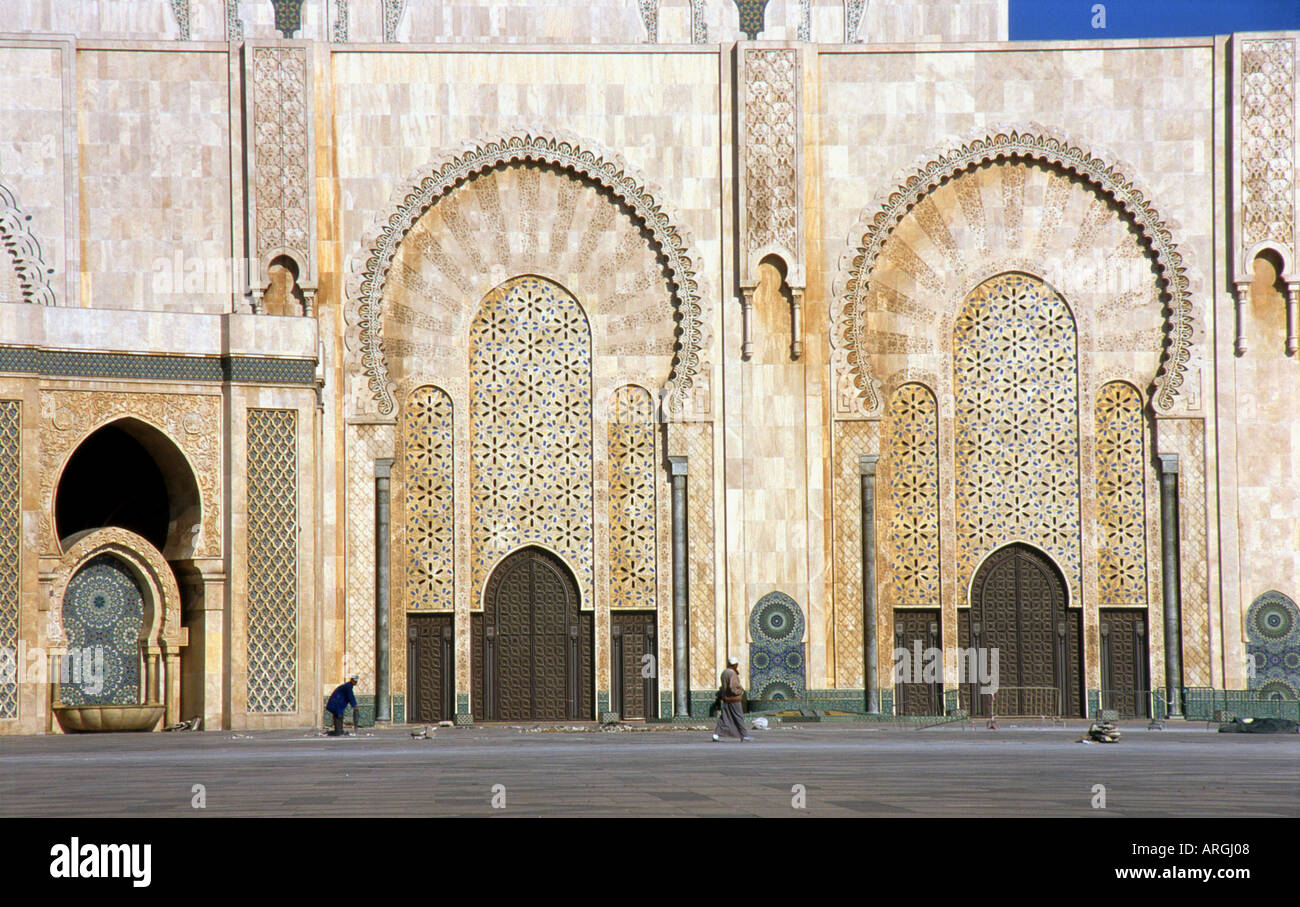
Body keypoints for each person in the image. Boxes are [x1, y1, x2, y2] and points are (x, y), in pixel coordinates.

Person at [712, 657, 752, 742]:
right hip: (734, 700)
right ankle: (744, 735)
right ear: (735, 665)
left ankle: (716, 734)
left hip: (726, 699)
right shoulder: (732, 673)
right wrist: (739, 691)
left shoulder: (724, 672)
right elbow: (733, 687)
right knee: (738, 717)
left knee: (724, 717)